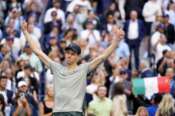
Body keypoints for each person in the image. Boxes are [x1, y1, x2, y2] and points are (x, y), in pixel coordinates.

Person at [21, 21, 124, 116]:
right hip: (58, 112)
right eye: (67, 53)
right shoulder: (57, 68)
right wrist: (25, 32)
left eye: (72, 54)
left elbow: (102, 57)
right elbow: (37, 51)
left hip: (75, 112)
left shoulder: (83, 69)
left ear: (78, 56)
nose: (68, 56)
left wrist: (115, 42)